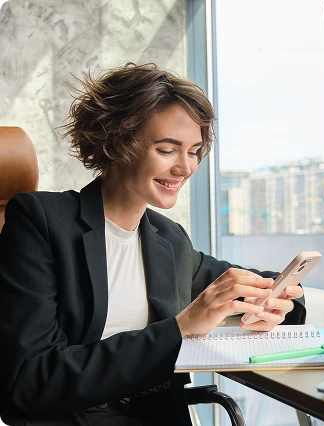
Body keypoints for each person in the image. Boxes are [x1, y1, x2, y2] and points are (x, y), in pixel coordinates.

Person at [0, 63, 305, 426]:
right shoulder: (40, 221)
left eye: (193, 151)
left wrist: (278, 297)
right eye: (167, 149)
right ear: (115, 143)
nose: (185, 167)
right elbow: (33, 379)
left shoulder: (168, 239)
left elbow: (241, 284)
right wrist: (180, 327)